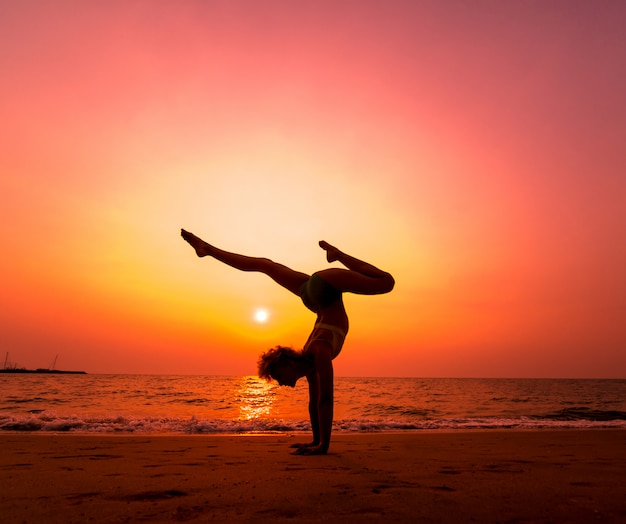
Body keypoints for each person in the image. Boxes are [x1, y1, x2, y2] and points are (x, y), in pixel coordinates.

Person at [181, 229, 395, 455]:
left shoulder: (319, 350)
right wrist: (315, 442)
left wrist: (324, 447)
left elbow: (326, 399)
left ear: (288, 365)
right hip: (312, 295)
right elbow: (315, 402)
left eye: (278, 376)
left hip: (326, 288)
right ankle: (208, 249)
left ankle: (337, 254)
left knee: (386, 282)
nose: (281, 384)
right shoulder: (312, 359)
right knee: (265, 265)